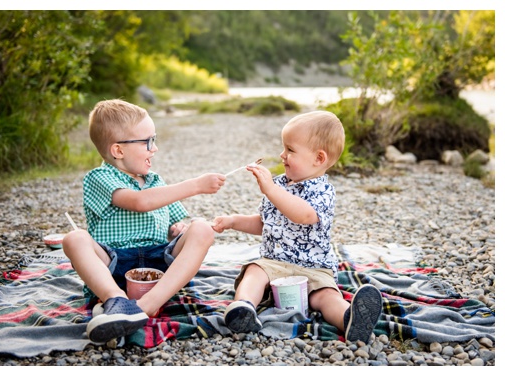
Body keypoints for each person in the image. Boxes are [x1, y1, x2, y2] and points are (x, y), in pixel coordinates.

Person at [62, 99, 227, 343]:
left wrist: (177, 229)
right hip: (114, 263)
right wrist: (196, 185)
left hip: (159, 265)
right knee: (74, 238)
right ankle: (115, 299)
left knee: (201, 228)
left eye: (155, 139)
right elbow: (140, 202)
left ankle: (148, 304)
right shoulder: (99, 178)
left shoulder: (155, 181)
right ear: (118, 150)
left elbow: (172, 223)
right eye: (148, 142)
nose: (155, 148)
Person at [212, 110, 383, 344]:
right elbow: (264, 224)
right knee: (253, 272)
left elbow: (303, 215)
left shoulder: (323, 191)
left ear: (319, 159)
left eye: (290, 150)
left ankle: (349, 319)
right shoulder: (280, 183)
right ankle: (243, 308)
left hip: (314, 268)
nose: (282, 155)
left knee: (325, 296)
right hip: (274, 263)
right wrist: (233, 221)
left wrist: (271, 190)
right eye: (284, 148)